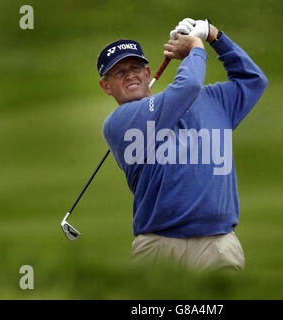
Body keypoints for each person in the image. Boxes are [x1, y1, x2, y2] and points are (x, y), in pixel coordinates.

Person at [97, 18, 267, 271]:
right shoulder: (119, 123)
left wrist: (215, 36)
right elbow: (188, 85)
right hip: (159, 247)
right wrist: (196, 49)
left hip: (219, 245)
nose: (130, 75)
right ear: (106, 86)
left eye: (135, 67)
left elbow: (253, 80)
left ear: (147, 73)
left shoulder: (213, 100)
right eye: (119, 72)